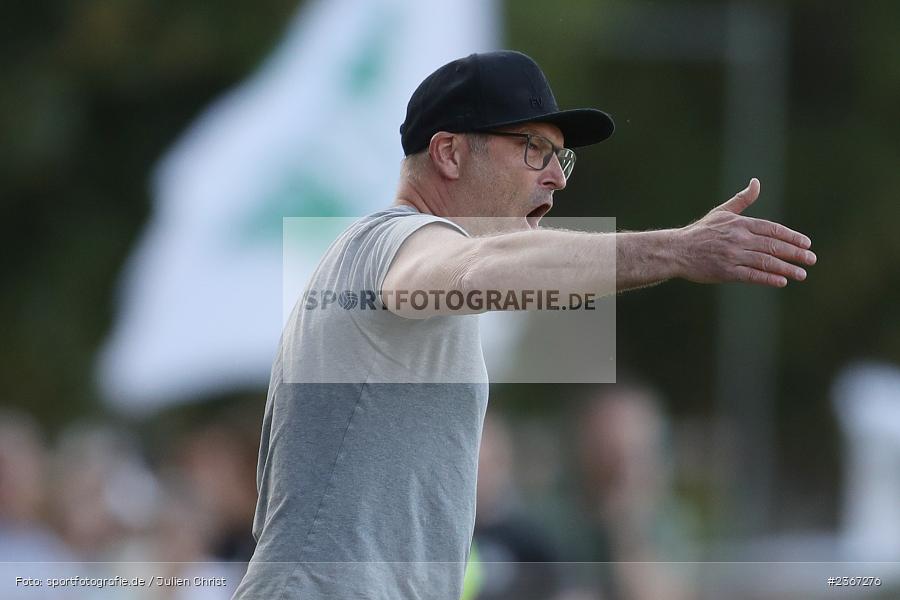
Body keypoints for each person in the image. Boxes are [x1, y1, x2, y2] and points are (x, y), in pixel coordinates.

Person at [233, 50, 816, 600]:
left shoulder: (401, 265)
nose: (558, 178)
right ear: (449, 154)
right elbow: (474, 268)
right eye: (533, 148)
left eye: (560, 157)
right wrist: (674, 250)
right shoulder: (394, 239)